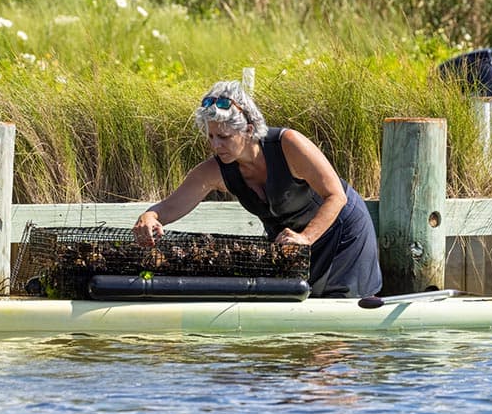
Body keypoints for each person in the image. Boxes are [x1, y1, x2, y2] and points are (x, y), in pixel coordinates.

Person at [132, 80, 382, 298]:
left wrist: (306, 238)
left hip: (342, 232)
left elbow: (335, 196)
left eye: (225, 137)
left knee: (335, 318)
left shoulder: (289, 144)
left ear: (249, 130)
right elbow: (168, 207)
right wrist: (149, 217)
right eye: (211, 137)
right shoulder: (214, 170)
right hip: (290, 242)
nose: (216, 146)